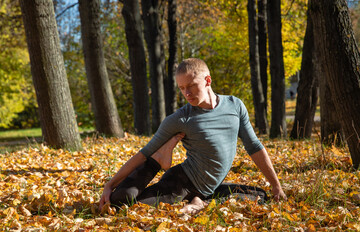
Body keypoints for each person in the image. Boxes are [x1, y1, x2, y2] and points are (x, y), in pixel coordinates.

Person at [99, 58, 286, 214]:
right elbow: (143, 153)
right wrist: (110, 184)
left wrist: (276, 185)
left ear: (207, 80)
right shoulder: (180, 118)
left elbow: (254, 146)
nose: (186, 93)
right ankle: (160, 160)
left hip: (209, 188)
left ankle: (200, 202)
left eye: (191, 86)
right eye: (181, 88)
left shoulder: (235, 106)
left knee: (260, 195)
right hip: (181, 183)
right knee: (119, 203)